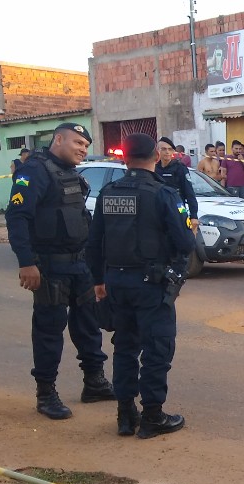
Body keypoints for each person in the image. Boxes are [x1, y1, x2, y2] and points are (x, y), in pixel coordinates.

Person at [85, 133, 195, 439]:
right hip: (152, 285)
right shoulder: (163, 193)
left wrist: (97, 281)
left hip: (116, 284)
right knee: (156, 350)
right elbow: (185, 241)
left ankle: (125, 413)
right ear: (155, 157)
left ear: (124, 158)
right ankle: (152, 416)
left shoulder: (108, 192)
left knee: (124, 347)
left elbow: (93, 243)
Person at [4, 122, 115, 420]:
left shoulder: (69, 172)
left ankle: (94, 382)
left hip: (80, 264)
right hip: (49, 266)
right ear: (58, 139)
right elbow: (17, 216)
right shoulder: (35, 171)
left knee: (88, 325)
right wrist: (27, 262)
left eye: (86, 146)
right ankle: (46, 393)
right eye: (78, 142)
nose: (82, 149)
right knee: (49, 331)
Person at [155, 137, 199, 226]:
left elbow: (189, 192)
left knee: (182, 227)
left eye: (170, 149)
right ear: (158, 151)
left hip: (178, 205)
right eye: (163, 149)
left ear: (173, 152)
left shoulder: (180, 168)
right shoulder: (154, 168)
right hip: (159, 209)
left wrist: (194, 216)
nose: (167, 152)